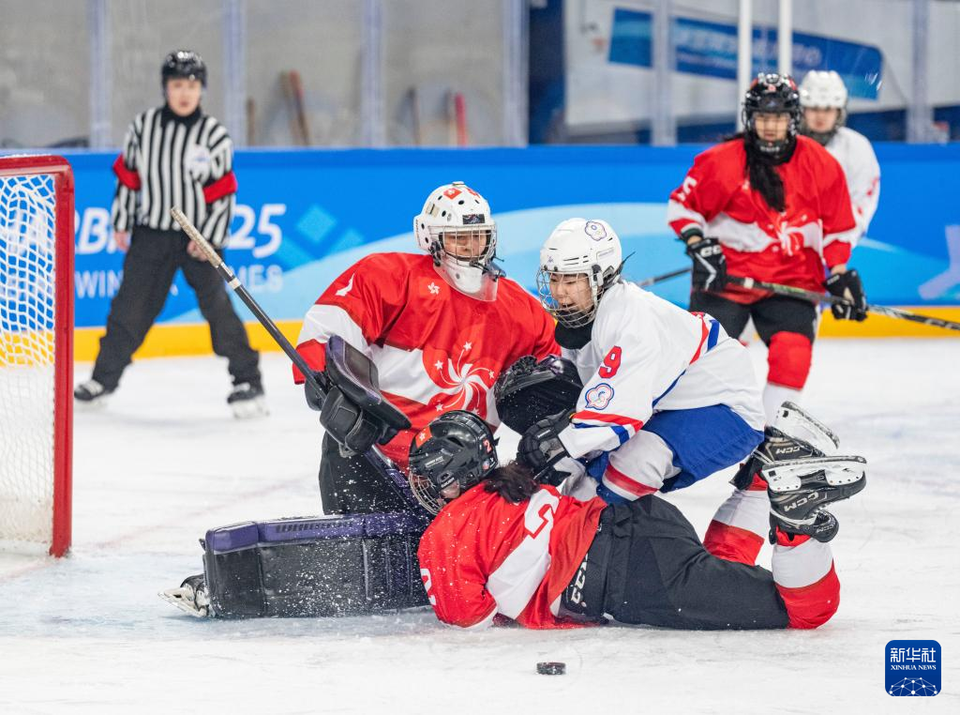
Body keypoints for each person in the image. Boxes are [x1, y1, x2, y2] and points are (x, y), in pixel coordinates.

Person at [412, 409, 866, 630]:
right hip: (638, 521)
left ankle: (795, 520)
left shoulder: (442, 534)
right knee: (719, 568)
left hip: (629, 575)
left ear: (448, 476)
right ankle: (765, 471)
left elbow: (469, 622)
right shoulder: (512, 480)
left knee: (808, 612)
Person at [293, 181, 559, 515]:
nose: (470, 248)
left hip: (458, 474)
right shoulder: (388, 277)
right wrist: (327, 387)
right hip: (373, 455)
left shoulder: (521, 309)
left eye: (478, 237)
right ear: (431, 238)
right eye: (458, 238)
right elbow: (328, 329)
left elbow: (558, 375)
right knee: (356, 560)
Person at [74, 50, 264, 418]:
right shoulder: (143, 127)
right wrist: (121, 221)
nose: (184, 92)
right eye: (177, 84)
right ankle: (102, 379)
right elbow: (129, 178)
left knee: (217, 308)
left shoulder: (214, 135)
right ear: (166, 88)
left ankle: (247, 380)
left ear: (201, 90)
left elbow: (224, 192)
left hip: (200, 238)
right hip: (152, 234)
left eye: (192, 85)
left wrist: (207, 236)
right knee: (128, 309)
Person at [667, 73, 865, 422]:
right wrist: (699, 244)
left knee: (793, 356)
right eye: (762, 117)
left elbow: (837, 228)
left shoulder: (821, 164)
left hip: (792, 280)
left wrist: (838, 272)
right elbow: (684, 208)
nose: (770, 126)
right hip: (726, 279)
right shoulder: (721, 161)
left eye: (779, 118)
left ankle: (769, 444)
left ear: (793, 119)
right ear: (749, 118)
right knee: (705, 368)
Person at [799, 70, 881, 241]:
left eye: (828, 109)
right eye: (814, 108)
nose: (820, 116)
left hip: (840, 248)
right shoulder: (787, 145)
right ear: (802, 110)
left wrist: (837, 245)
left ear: (839, 112)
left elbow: (861, 203)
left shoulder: (857, 146)